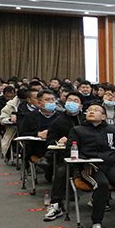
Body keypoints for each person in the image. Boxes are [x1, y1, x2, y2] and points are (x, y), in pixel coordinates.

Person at [42, 91, 86, 221]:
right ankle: (56, 204)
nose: (71, 103)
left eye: (75, 101)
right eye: (69, 100)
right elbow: (49, 141)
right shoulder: (58, 121)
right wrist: (58, 141)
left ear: (81, 106)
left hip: (88, 156)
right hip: (67, 156)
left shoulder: (86, 120)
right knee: (61, 171)